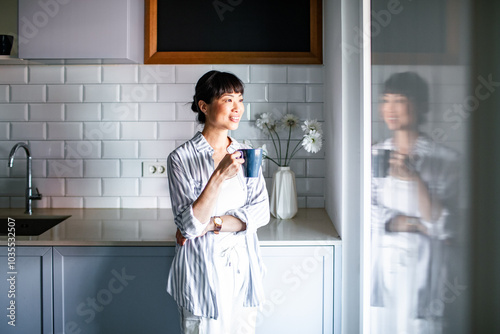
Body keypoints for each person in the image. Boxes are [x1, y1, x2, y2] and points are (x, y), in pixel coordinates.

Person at [166, 70, 270, 334]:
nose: (237, 108)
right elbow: (189, 227)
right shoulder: (181, 158)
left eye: (240, 99)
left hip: (242, 271)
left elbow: (260, 214)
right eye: (228, 100)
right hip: (202, 274)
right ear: (204, 106)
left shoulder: (247, 154)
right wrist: (218, 176)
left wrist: (212, 223)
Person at [370, 72, 459, 333]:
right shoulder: (376, 155)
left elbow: (446, 226)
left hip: (425, 265)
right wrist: (417, 224)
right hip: (383, 262)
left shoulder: (446, 160)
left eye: (399, 100)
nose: (390, 109)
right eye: (386, 100)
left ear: (420, 106)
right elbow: (370, 214)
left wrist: (414, 177)